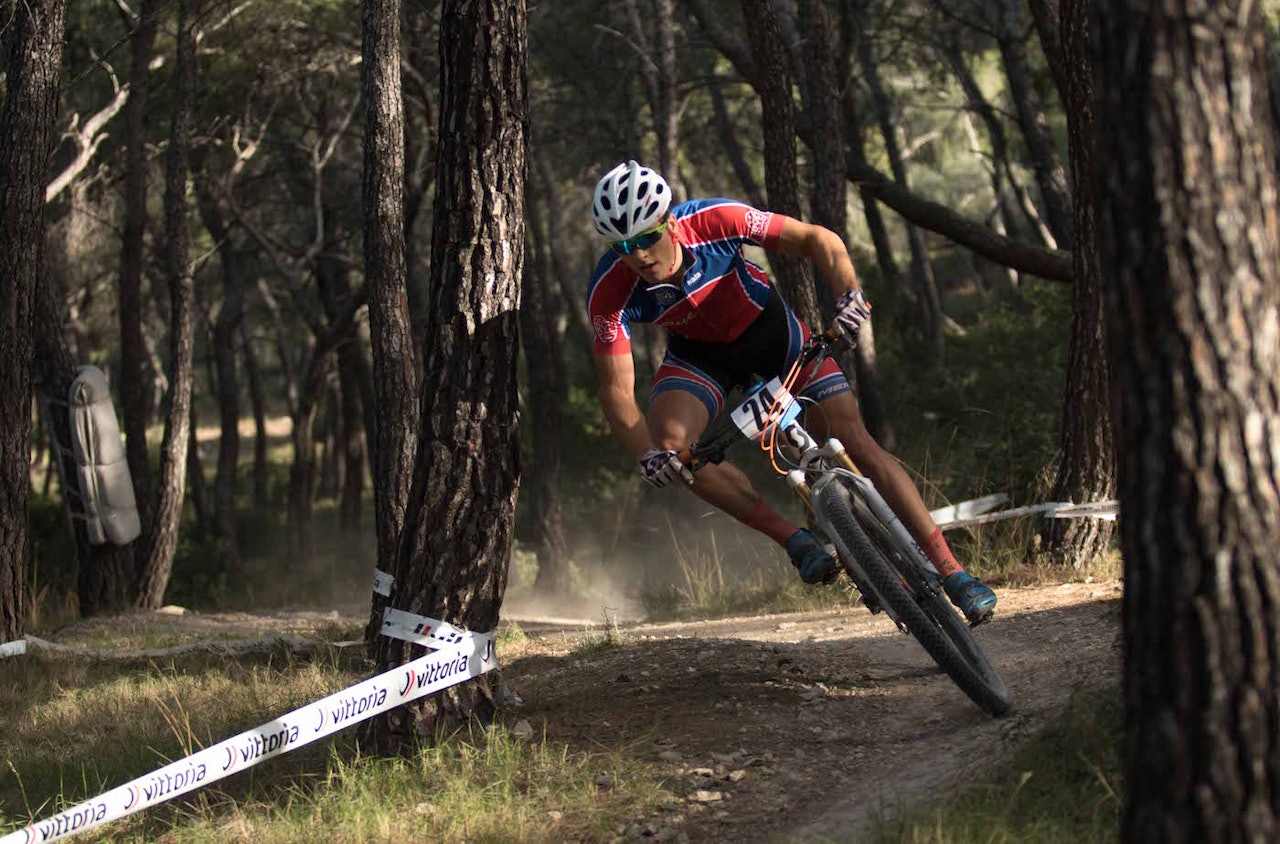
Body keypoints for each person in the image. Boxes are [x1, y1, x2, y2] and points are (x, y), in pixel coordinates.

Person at [586, 161, 997, 624]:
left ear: (671, 223)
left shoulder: (715, 221)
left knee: (855, 441)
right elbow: (617, 390)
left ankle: (953, 571)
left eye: (646, 237)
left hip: (772, 334)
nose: (638, 255)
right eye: (623, 246)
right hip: (702, 360)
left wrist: (848, 296)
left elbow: (817, 239)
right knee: (672, 451)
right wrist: (646, 455)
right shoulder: (609, 290)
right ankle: (793, 540)